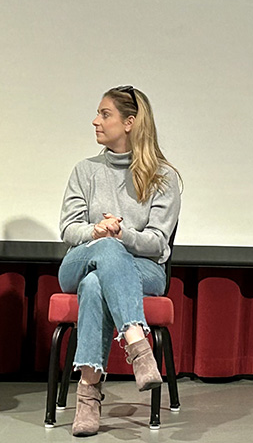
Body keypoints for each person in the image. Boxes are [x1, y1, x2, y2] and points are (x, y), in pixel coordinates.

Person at [58, 86, 181, 437]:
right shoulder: (85, 170)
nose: (95, 121)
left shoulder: (163, 177)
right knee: (105, 253)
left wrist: (122, 235)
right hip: (79, 261)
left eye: (105, 114)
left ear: (129, 122)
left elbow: (157, 242)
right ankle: (137, 344)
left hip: (144, 270)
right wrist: (98, 232)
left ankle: (87, 395)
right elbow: (68, 230)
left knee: (97, 281)